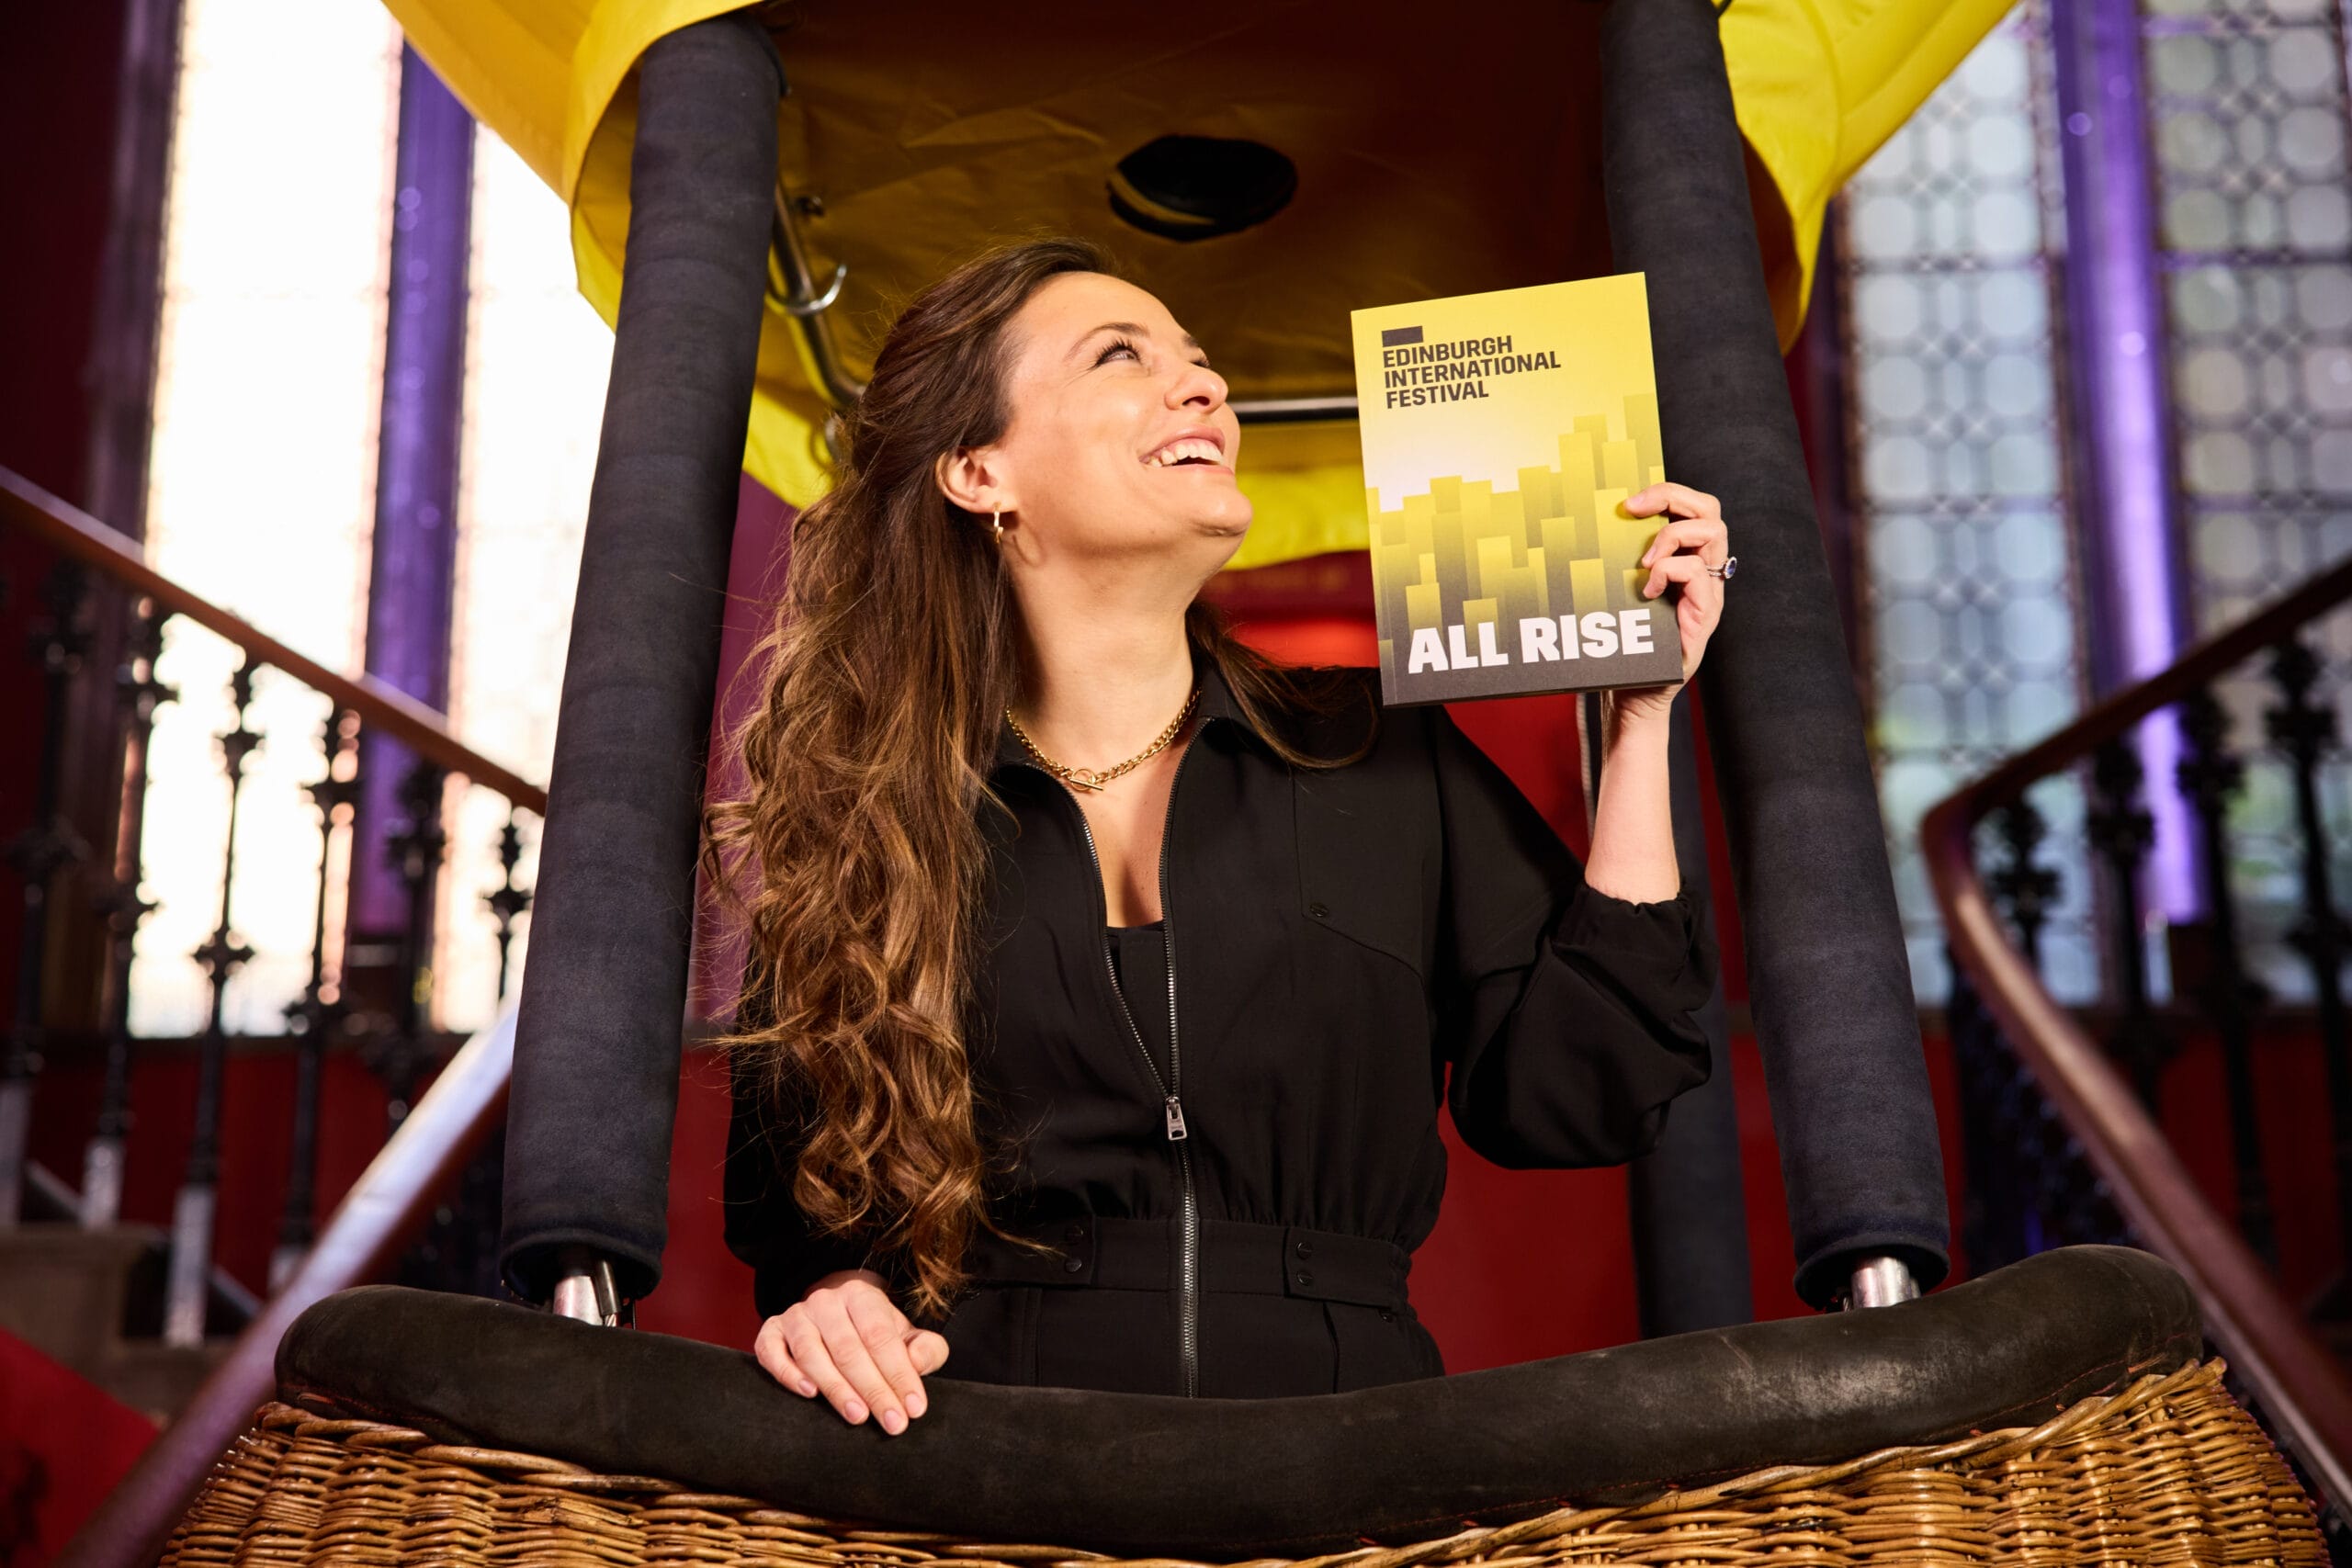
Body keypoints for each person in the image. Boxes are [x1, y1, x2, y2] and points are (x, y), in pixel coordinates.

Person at [711, 235, 1731, 1434]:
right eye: (1122, 356)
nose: (1206, 388)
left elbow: (1579, 1098)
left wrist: (1641, 723)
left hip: (1355, 1480)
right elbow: (800, 1220)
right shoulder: (873, 823)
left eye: (1200, 363)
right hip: (987, 1481)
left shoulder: (1378, 752)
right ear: (981, 472)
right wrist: (830, 1297)